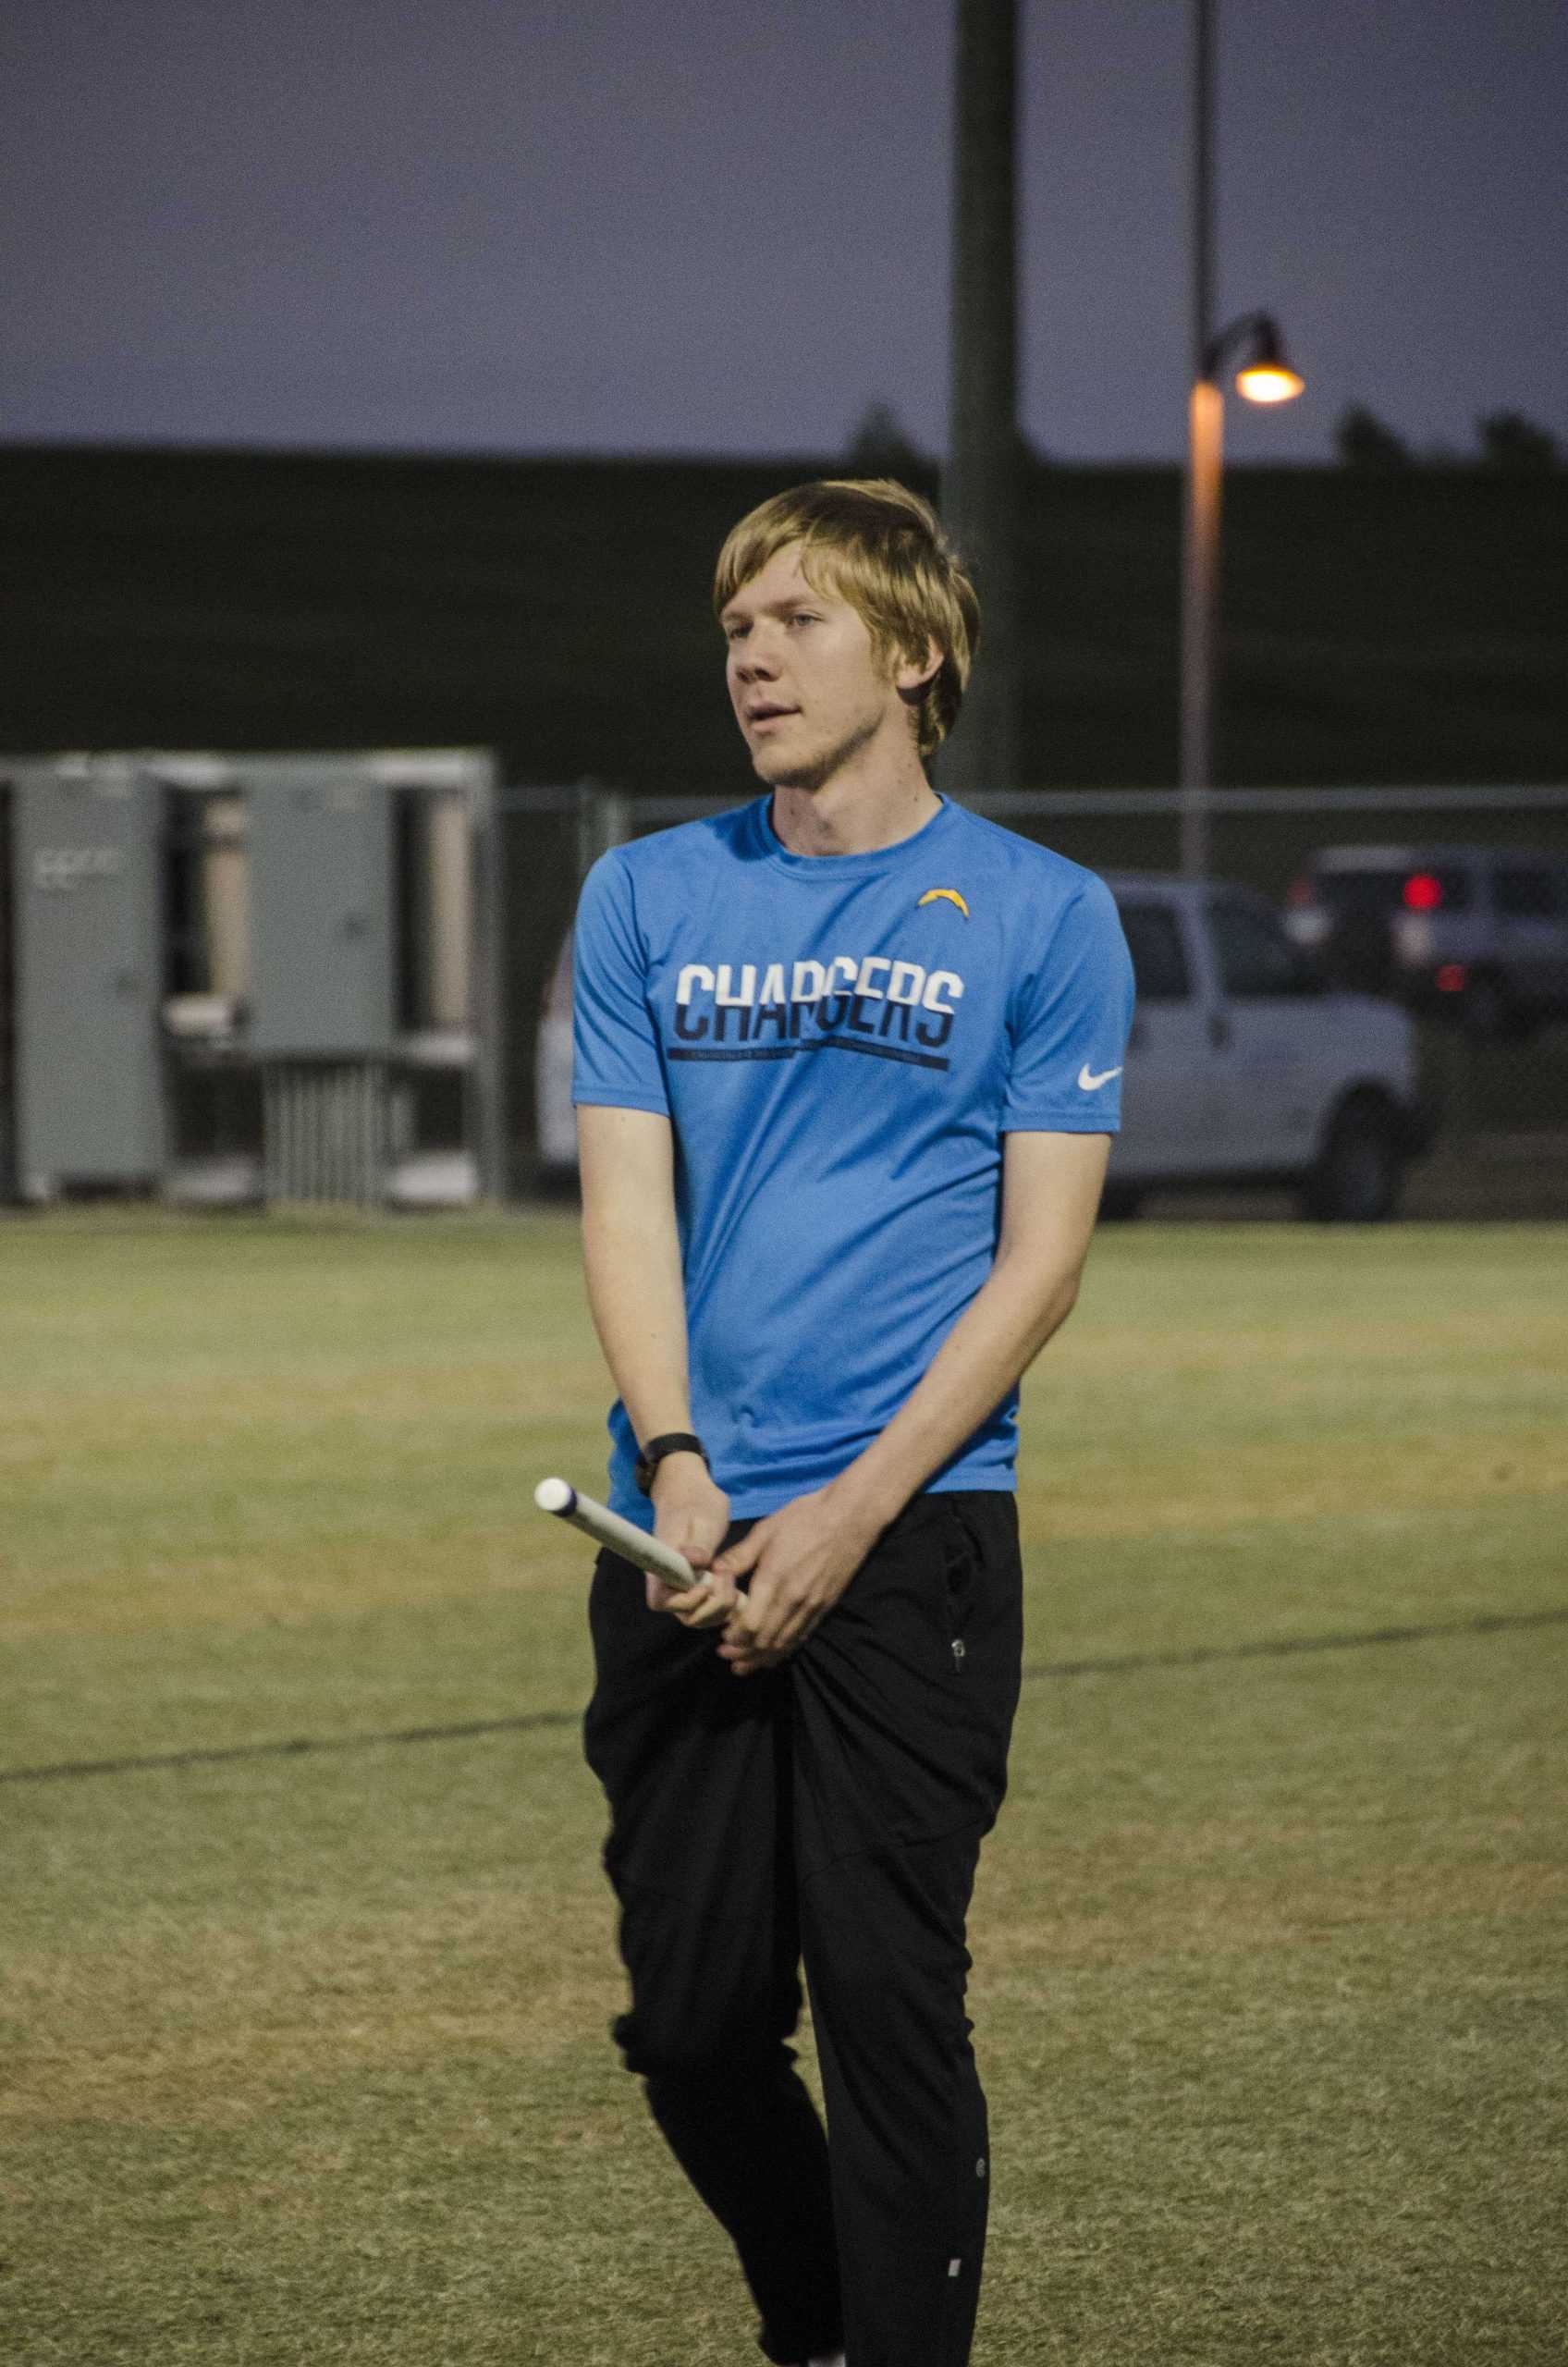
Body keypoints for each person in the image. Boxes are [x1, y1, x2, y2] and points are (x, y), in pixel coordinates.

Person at [570, 477, 1134, 2367]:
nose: (748, 652)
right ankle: (814, 2320)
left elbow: (1036, 1265)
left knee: (891, 1996)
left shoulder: (1043, 914)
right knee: (697, 2014)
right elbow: (624, 1201)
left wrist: (850, 1510)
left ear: (911, 653)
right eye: (735, 619)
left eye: (797, 618)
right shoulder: (644, 892)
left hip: (916, 1533)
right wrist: (673, 1458)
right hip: (686, 1523)